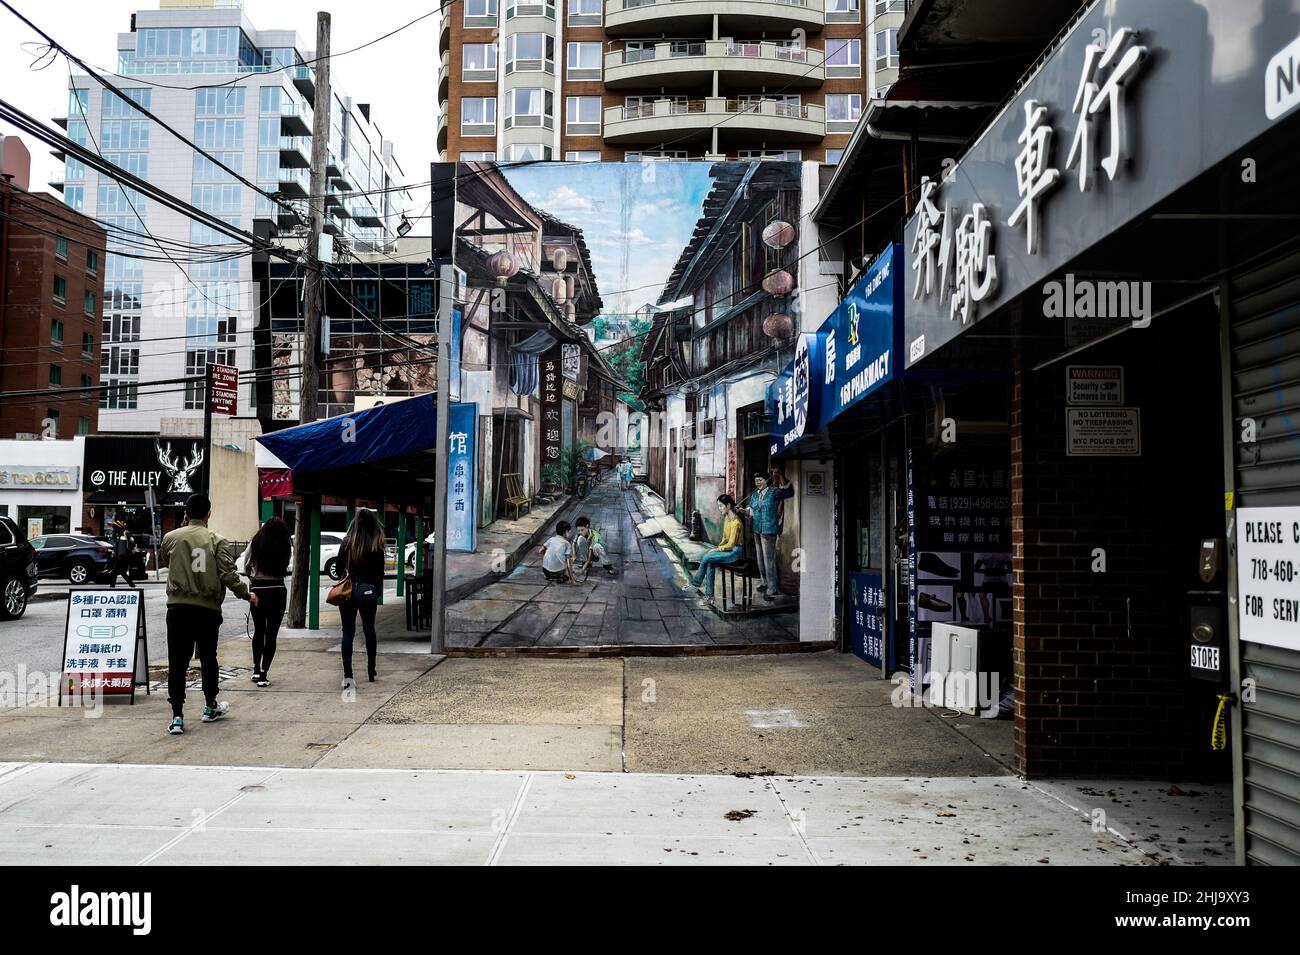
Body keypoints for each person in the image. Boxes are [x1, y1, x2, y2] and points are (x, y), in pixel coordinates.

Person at [160, 493, 256, 736]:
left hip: (178, 608)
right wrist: (246, 594)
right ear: (208, 514)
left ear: (186, 514)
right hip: (207, 609)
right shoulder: (218, 540)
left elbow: (165, 560)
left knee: (177, 662)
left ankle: (177, 716)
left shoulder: (171, 538)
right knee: (208, 658)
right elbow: (228, 574)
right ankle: (210, 705)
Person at [337, 508, 386, 687]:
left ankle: (348, 675)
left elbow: (337, 566)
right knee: (369, 630)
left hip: (349, 591)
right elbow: (379, 573)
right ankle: (371, 669)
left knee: (348, 632)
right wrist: (376, 592)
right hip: (368, 591)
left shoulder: (347, 542)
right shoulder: (376, 543)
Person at [240, 516, 291, 687]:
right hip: (277, 589)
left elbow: (246, 565)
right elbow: (288, 566)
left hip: (258, 590)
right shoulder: (285, 544)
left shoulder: (256, 542)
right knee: (272, 633)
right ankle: (264, 673)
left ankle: (255, 668)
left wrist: (253, 579)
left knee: (259, 630)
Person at [741, 470, 794, 602]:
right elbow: (751, 511)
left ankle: (772, 588)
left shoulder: (774, 492)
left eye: (760, 480)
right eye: (756, 481)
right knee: (760, 558)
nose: (758, 482)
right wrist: (744, 511)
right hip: (757, 529)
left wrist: (781, 475)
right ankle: (764, 582)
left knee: (768, 559)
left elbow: (789, 492)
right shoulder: (754, 495)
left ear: (766, 480)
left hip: (769, 529)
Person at [689, 495, 744, 606]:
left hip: (735, 552)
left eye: (721, 506)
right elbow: (724, 539)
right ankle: (709, 597)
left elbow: (731, 544)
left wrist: (718, 549)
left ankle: (695, 584)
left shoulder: (736, 523)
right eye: (718, 506)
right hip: (728, 550)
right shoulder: (727, 519)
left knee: (707, 557)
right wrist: (716, 548)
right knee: (710, 562)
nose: (719, 509)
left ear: (728, 506)